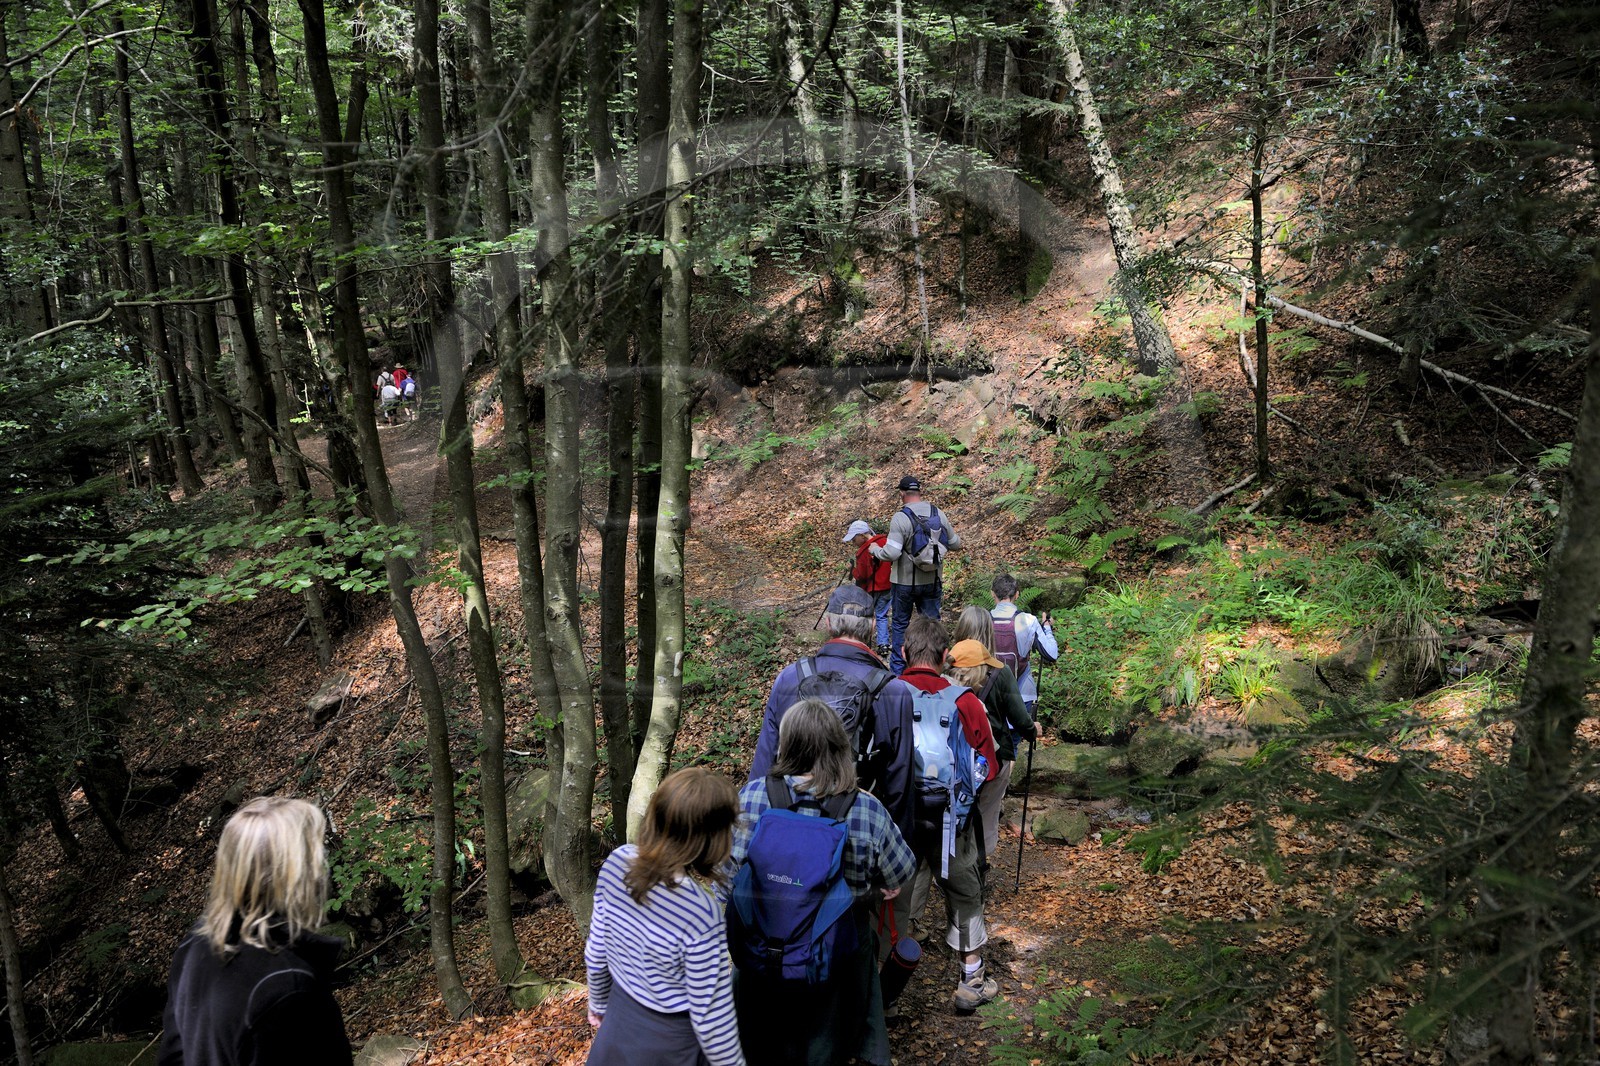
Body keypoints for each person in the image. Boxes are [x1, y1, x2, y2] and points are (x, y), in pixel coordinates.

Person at [730, 701, 916, 1066]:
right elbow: (901, 871)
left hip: (758, 952)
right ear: (839, 746)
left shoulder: (751, 797)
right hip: (835, 960)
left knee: (759, 1047)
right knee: (826, 1050)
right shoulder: (865, 808)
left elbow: (725, 873)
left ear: (785, 745)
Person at [158, 796, 352, 1066]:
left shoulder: (195, 943)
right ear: (297, 874)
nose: (323, 868)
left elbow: (173, 1056)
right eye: (316, 854)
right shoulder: (289, 989)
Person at [586, 767, 745, 1066]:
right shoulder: (700, 910)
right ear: (711, 839)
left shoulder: (617, 861)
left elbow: (596, 952)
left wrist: (598, 1002)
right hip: (669, 1043)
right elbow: (711, 1019)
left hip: (618, 1023)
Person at [891, 613, 1001, 1013]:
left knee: (894, 897)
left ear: (904, 652)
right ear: (944, 656)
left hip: (897, 821)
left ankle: (883, 989)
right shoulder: (966, 702)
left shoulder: (887, 693)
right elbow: (989, 765)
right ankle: (971, 980)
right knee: (965, 893)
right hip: (950, 821)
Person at [751, 584, 917, 846]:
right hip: (857, 828)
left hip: (787, 821)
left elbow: (765, 760)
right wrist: (898, 848)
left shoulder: (790, 678)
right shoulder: (894, 691)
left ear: (828, 623)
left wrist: (754, 828)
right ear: (873, 626)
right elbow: (900, 780)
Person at [950, 607, 1037, 859]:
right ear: (989, 633)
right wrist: (1033, 731)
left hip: (953, 756)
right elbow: (1020, 720)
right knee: (986, 816)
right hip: (992, 759)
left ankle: (954, 869)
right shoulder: (1000, 673)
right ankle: (979, 871)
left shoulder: (947, 670)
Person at [872, 475, 961, 673]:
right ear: (920, 492)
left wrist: (875, 551)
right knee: (931, 624)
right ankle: (933, 669)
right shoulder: (938, 513)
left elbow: (892, 552)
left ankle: (898, 672)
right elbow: (956, 544)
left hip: (904, 582)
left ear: (902, 493)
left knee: (900, 624)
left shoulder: (900, 518)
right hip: (932, 580)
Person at [990, 573, 1059, 717]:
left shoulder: (983, 619)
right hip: (1023, 694)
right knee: (1016, 738)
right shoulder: (1029, 620)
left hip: (990, 694)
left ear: (992, 594)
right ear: (1017, 595)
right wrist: (1047, 628)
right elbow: (1051, 654)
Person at [843, 519, 892, 653]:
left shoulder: (863, 552)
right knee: (882, 615)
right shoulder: (885, 542)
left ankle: (863, 641)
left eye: (854, 539)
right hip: (888, 585)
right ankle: (883, 644)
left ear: (862, 535)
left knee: (867, 615)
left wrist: (852, 570)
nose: (853, 542)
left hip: (872, 588)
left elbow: (862, 575)